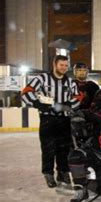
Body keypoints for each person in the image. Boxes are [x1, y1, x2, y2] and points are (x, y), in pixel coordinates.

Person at [21, 55, 80, 188]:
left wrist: (68, 104)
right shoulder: (42, 78)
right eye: (61, 65)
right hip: (47, 119)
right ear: (54, 64)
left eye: (66, 65)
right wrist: (37, 103)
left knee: (64, 148)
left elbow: (78, 98)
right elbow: (26, 92)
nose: (64, 68)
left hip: (64, 119)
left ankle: (63, 172)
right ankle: (48, 174)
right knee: (48, 148)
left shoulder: (71, 82)